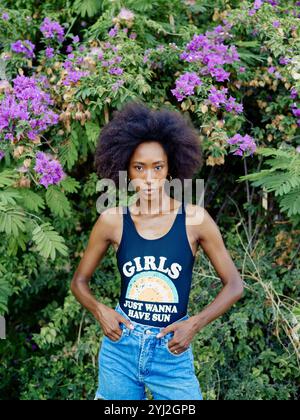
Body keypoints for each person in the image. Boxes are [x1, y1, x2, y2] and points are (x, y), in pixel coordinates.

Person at [70, 100, 244, 400]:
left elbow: (235, 285)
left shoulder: (195, 220)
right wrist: (100, 311)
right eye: (139, 168)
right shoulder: (112, 220)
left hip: (170, 351)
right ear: (125, 168)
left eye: (157, 167)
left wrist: (194, 324)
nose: (149, 178)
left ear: (170, 168)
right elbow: (79, 282)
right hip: (121, 349)